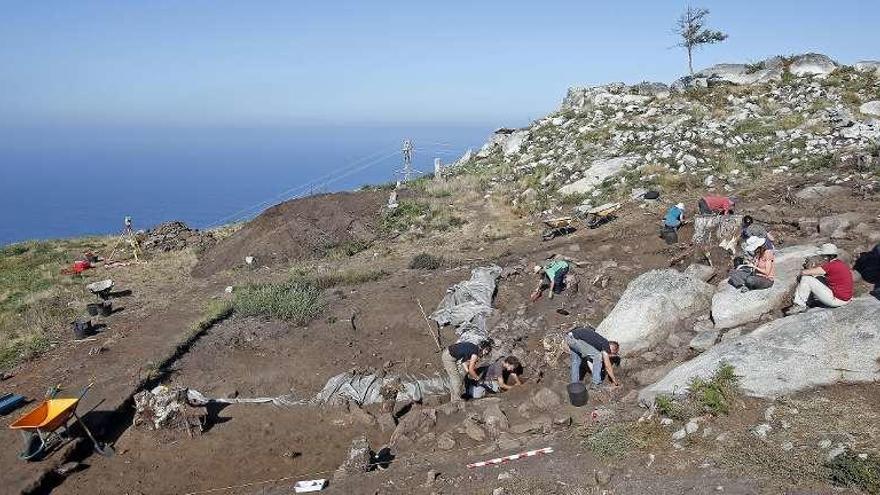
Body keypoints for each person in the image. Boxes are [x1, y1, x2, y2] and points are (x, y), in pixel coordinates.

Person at [785, 243, 854, 315]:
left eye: (822, 256)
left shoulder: (831, 266)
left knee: (806, 279)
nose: (822, 258)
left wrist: (799, 272)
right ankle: (809, 301)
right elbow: (819, 273)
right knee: (818, 278)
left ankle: (800, 305)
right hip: (846, 298)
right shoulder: (839, 263)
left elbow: (805, 272)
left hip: (838, 300)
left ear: (826, 257)